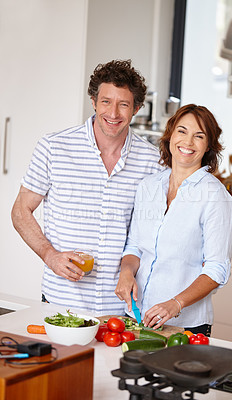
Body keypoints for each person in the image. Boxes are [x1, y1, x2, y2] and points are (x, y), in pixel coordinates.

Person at [11, 59, 162, 315]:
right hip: (61, 298)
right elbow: (20, 211)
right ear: (93, 101)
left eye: (123, 104)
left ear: (136, 108)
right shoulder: (54, 147)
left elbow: (151, 235)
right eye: (106, 101)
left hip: (121, 306)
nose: (113, 113)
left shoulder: (153, 162)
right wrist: (50, 256)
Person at [115, 104, 232, 336]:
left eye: (199, 136)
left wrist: (176, 303)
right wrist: (126, 273)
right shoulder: (148, 187)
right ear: (170, 135)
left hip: (186, 325)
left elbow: (216, 269)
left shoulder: (215, 197)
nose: (188, 142)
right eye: (182, 131)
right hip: (135, 315)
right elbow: (135, 247)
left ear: (209, 145)